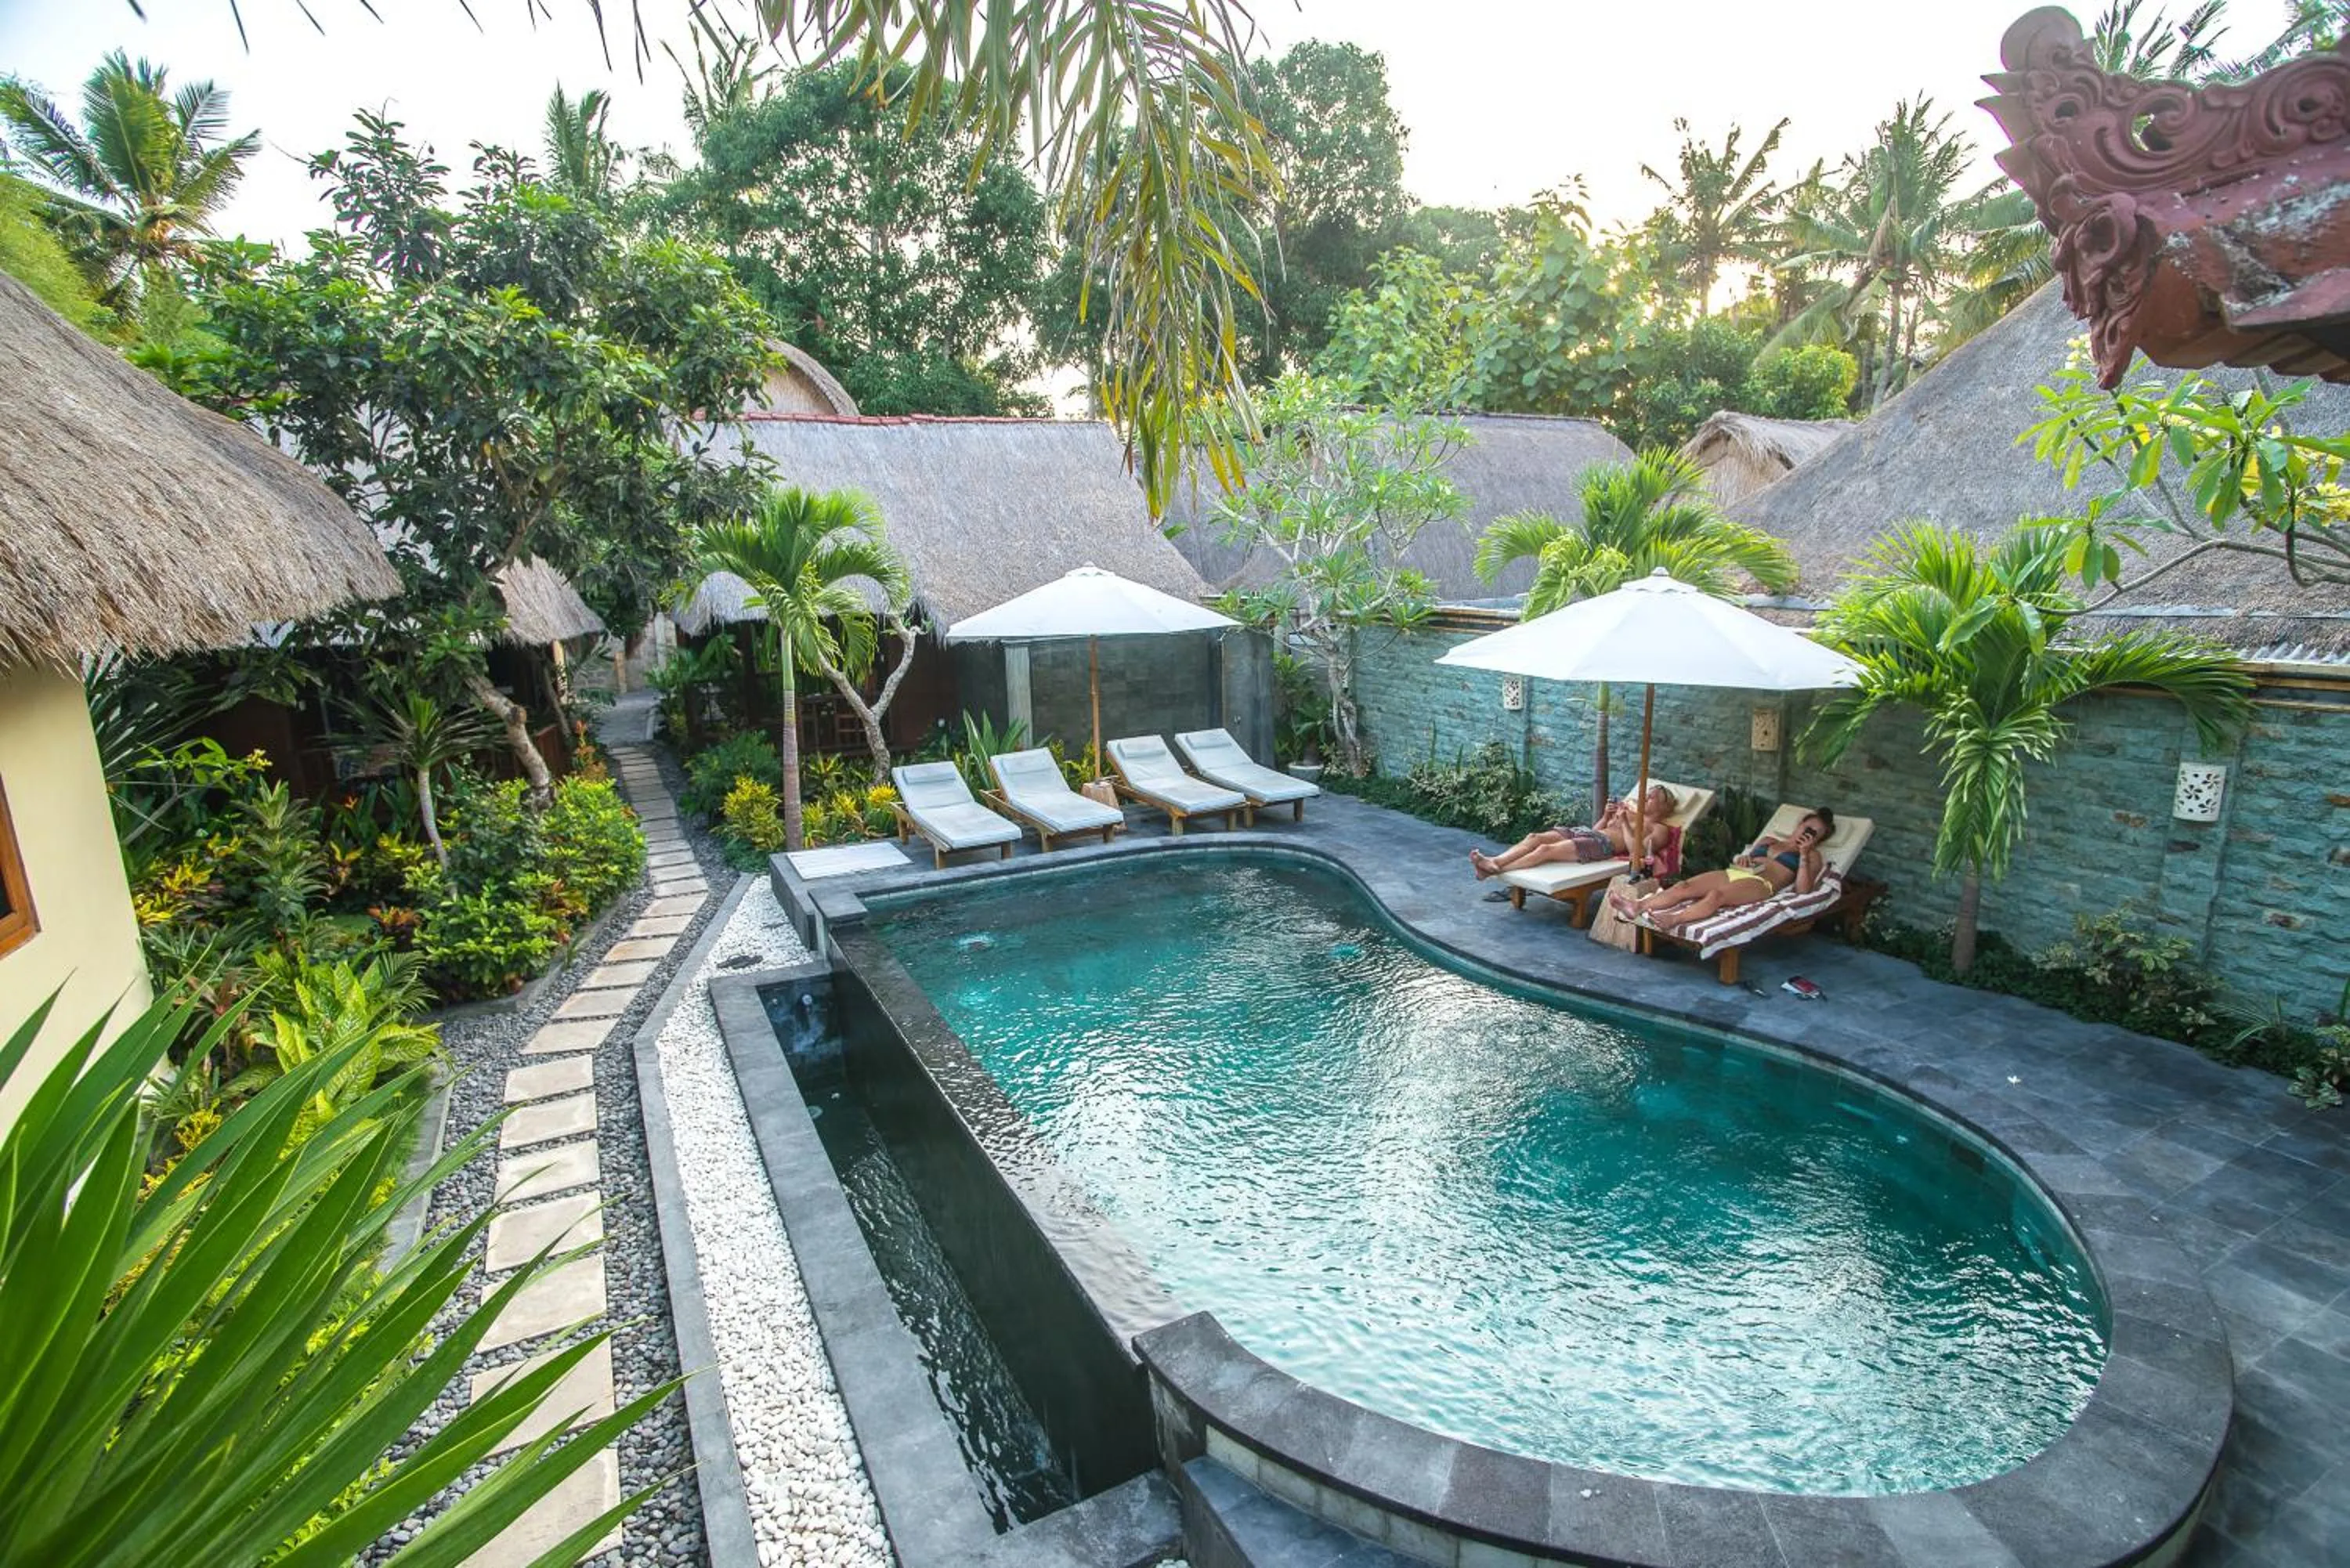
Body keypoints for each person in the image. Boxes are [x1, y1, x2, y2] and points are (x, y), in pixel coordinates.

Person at [1608, 809, 1836, 931]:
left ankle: (1675, 920)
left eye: (1816, 834)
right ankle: (1636, 906)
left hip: (1761, 884)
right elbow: (1742, 861)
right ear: (1799, 825)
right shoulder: (1768, 840)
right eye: (1808, 828)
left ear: (1818, 841)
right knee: (1683, 886)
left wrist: (1804, 856)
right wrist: (1745, 861)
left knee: (1716, 896)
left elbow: (1803, 890)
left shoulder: (1812, 856)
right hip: (1738, 873)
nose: (1808, 834)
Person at [1470, 784, 1679, 879]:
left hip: (1603, 846)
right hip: (1589, 833)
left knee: (1544, 850)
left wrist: (1623, 822)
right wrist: (1607, 817)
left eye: (1651, 796)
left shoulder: (1659, 829)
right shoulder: (1630, 811)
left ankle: (1494, 870)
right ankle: (1495, 861)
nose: (1644, 797)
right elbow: (1598, 829)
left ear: (1665, 807)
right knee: (1534, 837)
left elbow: (1639, 852)